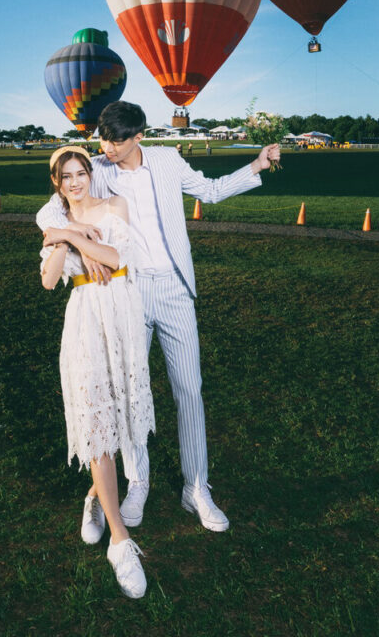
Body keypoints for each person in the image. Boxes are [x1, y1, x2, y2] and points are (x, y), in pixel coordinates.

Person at [87, 100, 279, 533]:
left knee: (189, 389)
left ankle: (196, 488)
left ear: (139, 136)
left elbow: (209, 191)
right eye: (103, 137)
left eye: (116, 139)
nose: (107, 146)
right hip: (127, 290)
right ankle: (138, 482)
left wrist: (257, 164)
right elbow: (68, 209)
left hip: (175, 288)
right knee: (133, 392)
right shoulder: (96, 170)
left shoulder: (167, 159)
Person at [37, 146, 154, 599]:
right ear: (57, 182)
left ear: (90, 174)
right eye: (65, 176)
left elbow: (116, 257)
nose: (74, 182)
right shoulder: (55, 222)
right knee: (95, 418)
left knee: (121, 416)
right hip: (85, 319)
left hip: (122, 311)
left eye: (80, 172)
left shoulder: (113, 206)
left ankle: (94, 498)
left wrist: (76, 236)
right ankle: (120, 542)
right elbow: (48, 281)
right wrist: (63, 236)